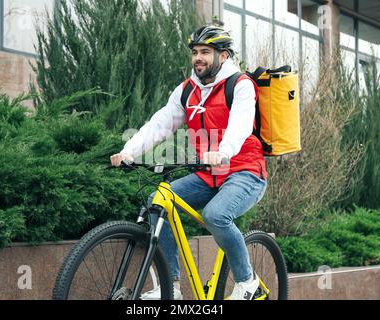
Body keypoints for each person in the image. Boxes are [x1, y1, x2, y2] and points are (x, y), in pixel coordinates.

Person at [110, 25, 267, 300]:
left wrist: (224, 150)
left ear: (224, 55)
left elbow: (241, 125)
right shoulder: (186, 90)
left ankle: (248, 282)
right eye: (195, 52)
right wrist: (129, 151)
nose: (198, 58)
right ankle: (170, 287)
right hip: (208, 174)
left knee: (216, 216)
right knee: (158, 200)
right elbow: (160, 124)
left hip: (245, 172)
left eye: (206, 52)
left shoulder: (240, 85)